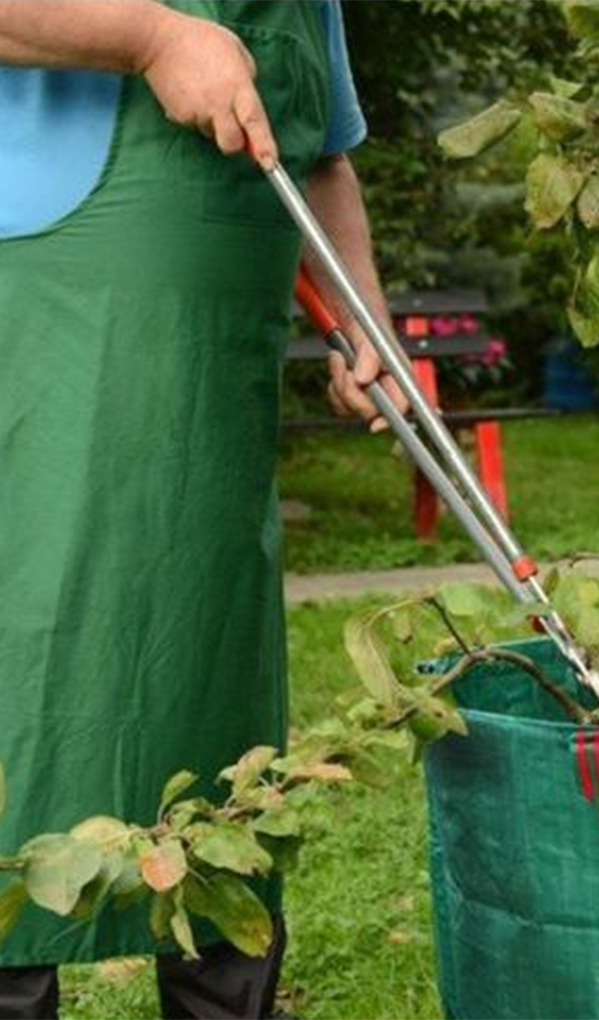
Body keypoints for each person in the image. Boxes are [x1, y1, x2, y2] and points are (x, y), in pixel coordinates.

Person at [0, 3, 404, 1017]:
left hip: (213, 372)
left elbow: (323, 156)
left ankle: (223, 988)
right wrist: (149, 37)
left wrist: (368, 327)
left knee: (212, 664)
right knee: (32, 649)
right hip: (53, 303)